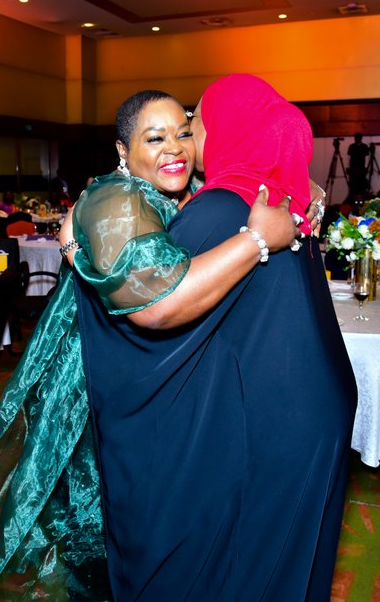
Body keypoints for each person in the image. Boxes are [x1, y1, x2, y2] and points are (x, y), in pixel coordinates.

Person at [0, 89, 303, 601]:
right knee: (97, 515)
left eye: (184, 133)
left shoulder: (185, 189)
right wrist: (256, 240)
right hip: (96, 374)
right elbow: (154, 301)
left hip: (142, 363)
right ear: (123, 150)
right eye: (154, 138)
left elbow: (279, 175)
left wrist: (308, 195)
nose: (174, 147)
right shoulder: (119, 198)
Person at [75, 75, 356, 600]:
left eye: (192, 125)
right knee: (283, 562)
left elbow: (154, 308)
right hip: (312, 404)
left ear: (227, 127)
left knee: (244, 563)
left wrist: (78, 258)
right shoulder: (278, 196)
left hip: (276, 418)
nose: (185, 141)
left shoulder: (223, 207)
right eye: (161, 135)